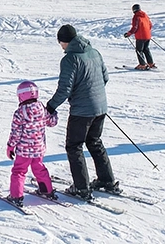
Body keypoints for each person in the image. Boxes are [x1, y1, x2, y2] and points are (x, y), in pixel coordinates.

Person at [45, 25, 119, 201]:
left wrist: (50, 106)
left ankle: (81, 188)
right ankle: (106, 180)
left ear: (63, 41)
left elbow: (65, 89)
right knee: (94, 141)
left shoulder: (70, 59)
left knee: (74, 146)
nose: (61, 47)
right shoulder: (94, 52)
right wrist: (95, 96)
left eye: (60, 43)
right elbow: (105, 78)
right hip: (100, 107)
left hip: (82, 111)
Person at [5, 80, 58, 207]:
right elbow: (51, 122)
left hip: (24, 150)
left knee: (19, 171)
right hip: (39, 148)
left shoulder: (19, 113)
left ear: (21, 96)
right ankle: (47, 190)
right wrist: (54, 113)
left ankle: (16, 196)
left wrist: (10, 146)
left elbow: (15, 133)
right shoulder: (41, 108)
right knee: (39, 168)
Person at [124, 4, 155, 70]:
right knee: (146, 49)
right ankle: (151, 63)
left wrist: (129, 34)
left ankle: (142, 64)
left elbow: (135, 27)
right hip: (148, 36)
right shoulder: (145, 15)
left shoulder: (136, 16)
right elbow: (150, 25)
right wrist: (146, 32)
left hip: (140, 37)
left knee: (139, 50)